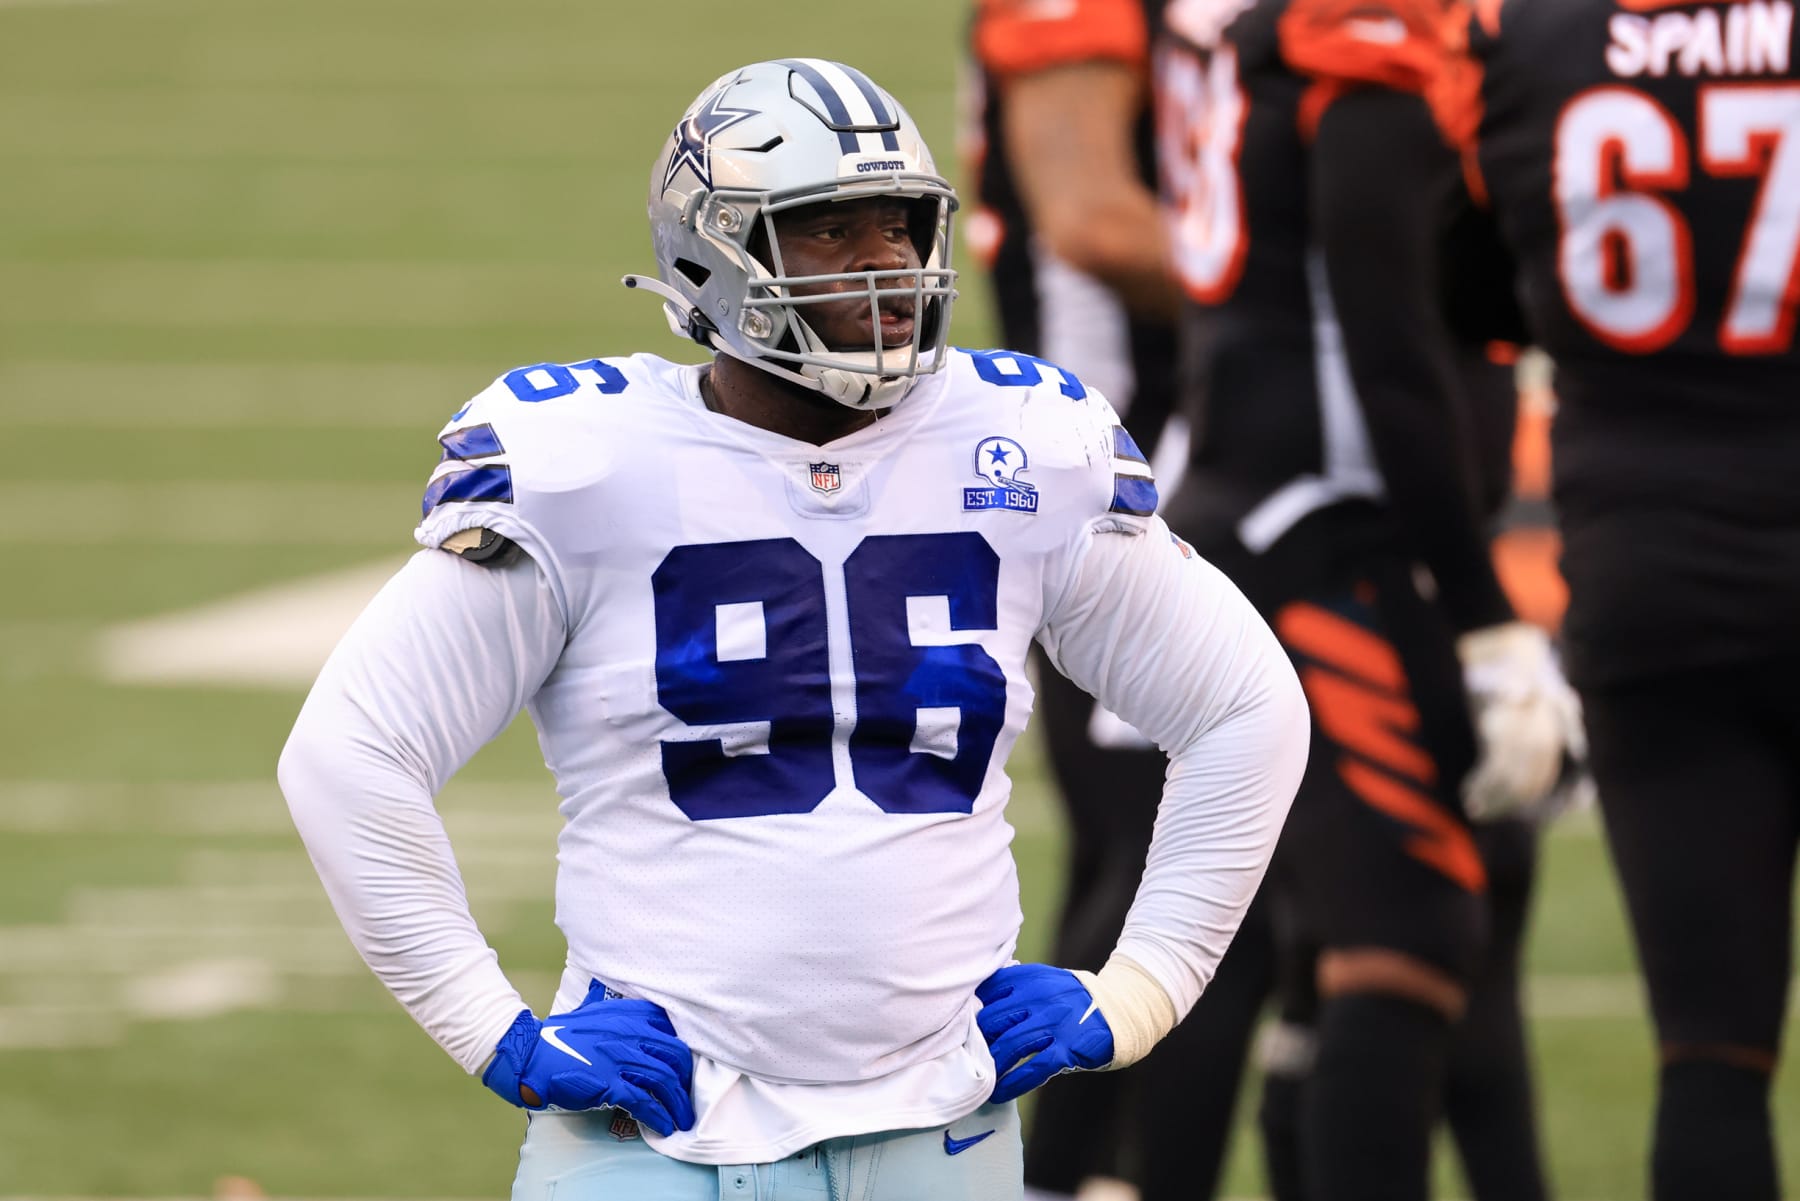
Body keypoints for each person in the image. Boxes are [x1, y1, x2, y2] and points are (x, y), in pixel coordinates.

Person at [277, 57, 1309, 1201]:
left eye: (901, 227)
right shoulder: (590, 464)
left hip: (943, 1124)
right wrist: (494, 1030)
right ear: (710, 254)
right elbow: (350, 751)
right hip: (657, 1131)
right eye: (828, 231)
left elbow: (1244, 707)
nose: (882, 267)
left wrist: (1145, 987)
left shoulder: (1017, 442)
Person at [1153, 2, 1584, 1198]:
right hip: (1335, 538)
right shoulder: (1366, 49)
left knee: (1360, 943)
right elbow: (1383, 347)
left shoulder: (1289, 42)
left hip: (1276, 514)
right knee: (1407, 942)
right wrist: (1486, 610)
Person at [1461, 3, 1800, 1197]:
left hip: (1654, 581)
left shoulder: (1536, 42)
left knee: (1709, 1058)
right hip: (1678, 553)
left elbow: (1476, 292)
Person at [967, 3, 1280, 1198]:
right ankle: (1064, 1173)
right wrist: (1321, 288)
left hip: (1191, 448)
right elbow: (1092, 216)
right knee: (1164, 849)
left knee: (1176, 852)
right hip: (1098, 472)